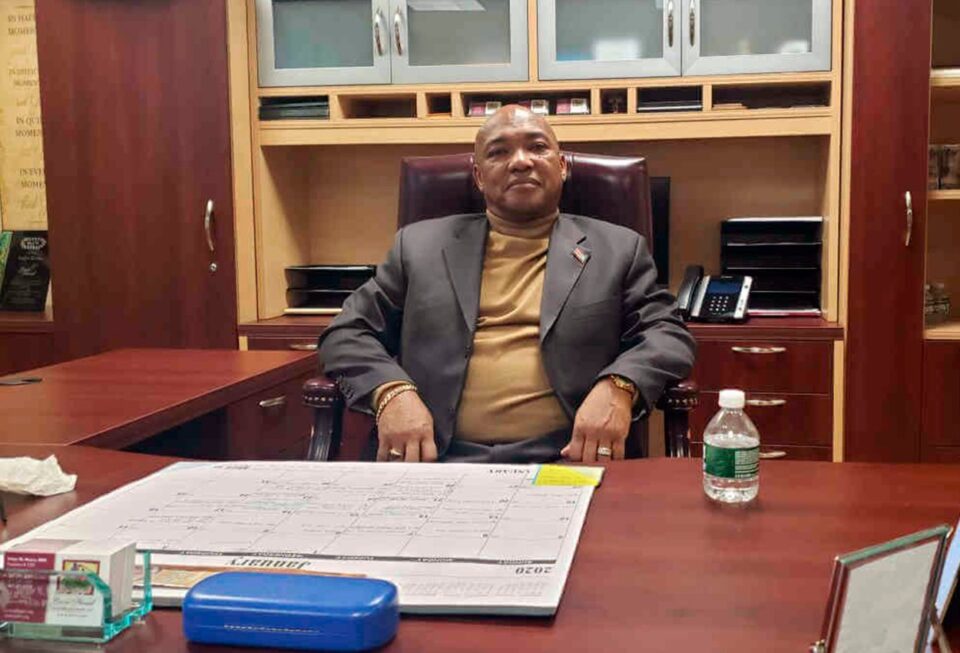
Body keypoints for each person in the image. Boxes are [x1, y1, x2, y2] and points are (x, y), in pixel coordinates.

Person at [319, 105, 695, 464]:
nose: (520, 161)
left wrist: (620, 385)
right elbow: (347, 332)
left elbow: (667, 333)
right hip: (436, 456)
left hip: (566, 458)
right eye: (499, 152)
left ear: (562, 166)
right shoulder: (418, 247)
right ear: (479, 177)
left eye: (537, 147)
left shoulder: (618, 248)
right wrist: (390, 391)